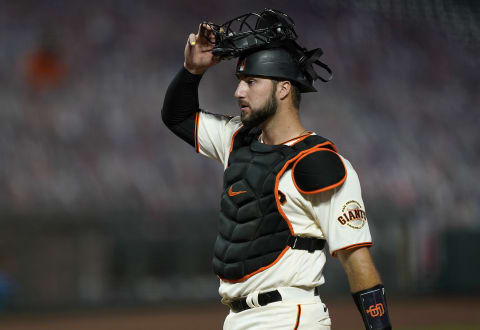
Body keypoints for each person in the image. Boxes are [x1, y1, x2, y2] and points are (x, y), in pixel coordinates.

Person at [162, 10, 392, 330]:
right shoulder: (236, 140)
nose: (238, 92)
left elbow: (357, 261)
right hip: (238, 318)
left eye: (251, 82)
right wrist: (191, 70)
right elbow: (177, 117)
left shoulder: (318, 163)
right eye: (240, 81)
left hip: (286, 316)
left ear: (283, 89)